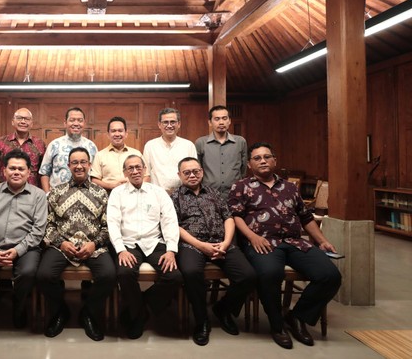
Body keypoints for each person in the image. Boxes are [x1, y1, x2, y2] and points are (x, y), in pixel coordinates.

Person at [229, 142, 342, 349]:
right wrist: (252, 237)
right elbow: (235, 216)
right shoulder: (241, 186)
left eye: (267, 157)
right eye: (257, 158)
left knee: (330, 276)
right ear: (249, 164)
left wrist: (322, 241)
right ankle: (277, 325)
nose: (262, 161)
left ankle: (298, 317)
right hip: (263, 243)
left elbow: (305, 217)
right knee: (270, 274)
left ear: (275, 161)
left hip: (294, 242)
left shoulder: (289, 187)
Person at [171, 157, 255, 346]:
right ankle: (201, 321)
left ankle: (223, 309)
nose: (192, 175)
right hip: (191, 245)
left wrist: (225, 243)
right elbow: (174, 227)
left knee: (248, 275)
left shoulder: (214, 193)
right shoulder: (174, 197)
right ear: (179, 175)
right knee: (191, 273)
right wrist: (201, 245)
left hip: (221, 242)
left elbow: (229, 218)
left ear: (201, 172)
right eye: (187, 172)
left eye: (196, 171)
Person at [37, 147, 116, 341]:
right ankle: (60, 311)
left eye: (83, 162)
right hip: (62, 246)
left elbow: (108, 226)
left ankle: (88, 313)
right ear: (68, 165)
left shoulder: (102, 193)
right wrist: (61, 243)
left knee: (109, 275)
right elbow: (48, 224)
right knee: (44, 275)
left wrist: (94, 244)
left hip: (94, 246)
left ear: (89, 165)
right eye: (75, 162)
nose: (79, 166)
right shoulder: (56, 192)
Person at [107, 154, 182, 339]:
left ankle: (141, 306)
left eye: (138, 167)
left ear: (144, 169)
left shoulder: (158, 192)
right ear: (125, 172)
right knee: (124, 273)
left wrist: (171, 250)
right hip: (128, 243)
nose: (135, 171)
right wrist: (120, 250)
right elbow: (113, 223)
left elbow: (170, 221)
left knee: (174, 276)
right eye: (130, 168)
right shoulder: (117, 193)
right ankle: (138, 316)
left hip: (155, 242)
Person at [0, 149, 47, 330]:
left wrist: (18, 250)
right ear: (4, 171)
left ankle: (19, 306)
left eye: (21, 169)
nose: (16, 172)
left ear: (29, 172)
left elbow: (38, 230)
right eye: (12, 168)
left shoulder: (38, 195)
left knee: (27, 272)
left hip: (27, 248)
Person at [39, 107, 97, 192]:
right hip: (58, 199)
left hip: (86, 198)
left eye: (80, 120)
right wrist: (47, 195)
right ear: (65, 123)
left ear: (84, 123)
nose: (76, 123)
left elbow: (96, 175)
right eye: (72, 120)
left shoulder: (91, 146)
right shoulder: (54, 145)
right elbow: (44, 173)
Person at [195, 105, 247, 198]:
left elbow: (243, 169)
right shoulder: (201, 142)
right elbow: (198, 169)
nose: (221, 122)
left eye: (224, 118)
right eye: (217, 119)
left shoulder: (240, 141)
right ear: (210, 122)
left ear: (229, 121)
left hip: (235, 194)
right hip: (208, 194)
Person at [0, 108, 46, 187]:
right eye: (19, 118)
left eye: (27, 119)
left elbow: (44, 170)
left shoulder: (40, 144)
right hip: (4, 191)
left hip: (31, 193)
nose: (23, 121)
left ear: (32, 124)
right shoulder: (1, 142)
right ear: (13, 122)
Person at [143, 108, 197, 194]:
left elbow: (194, 173)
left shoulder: (188, 145)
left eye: (172, 122)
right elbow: (146, 174)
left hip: (183, 195)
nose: (169, 125)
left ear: (179, 124)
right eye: (165, 122)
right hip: (157, 195)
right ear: (159, 124)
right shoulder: (150, 146)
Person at [90, 116, 149, 191]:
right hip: (109, 195)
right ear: (108, 134)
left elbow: (147, 176)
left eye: (120, 131)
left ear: (126, 133)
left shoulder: (136, 153)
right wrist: (111, 186)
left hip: (134, 195)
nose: (117, 134)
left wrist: (133, 185)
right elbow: (94, 180)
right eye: (113, 131)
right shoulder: (100, 155)